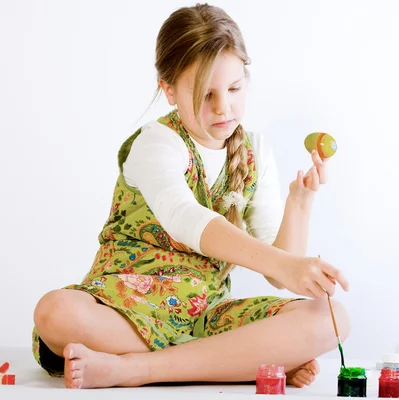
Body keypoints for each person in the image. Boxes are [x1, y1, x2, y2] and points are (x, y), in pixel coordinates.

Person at [32, 3, 350, 390]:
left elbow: (275, 267)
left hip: (206, 313)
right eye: (205, 94)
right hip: (126, 306)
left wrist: (300, 203)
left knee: (332, 318)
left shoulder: (255, 152)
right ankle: (234, 360)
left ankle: (133, 369)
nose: (223, 107)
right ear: (168, 89)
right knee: (56, 312)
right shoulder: (157, 144)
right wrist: (283, 281)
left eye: (234, 89)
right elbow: (185, 217)